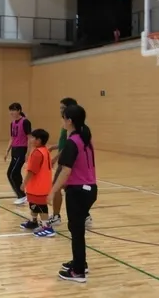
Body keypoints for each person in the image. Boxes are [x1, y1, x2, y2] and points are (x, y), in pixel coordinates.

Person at [49, 105, 97, 283]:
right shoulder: (85, 139)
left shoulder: (73, 142)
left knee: (76, 231)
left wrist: (52, 191)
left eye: (63, 118)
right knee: (76, 229)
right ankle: (80, 263)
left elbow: (65, 171)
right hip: (90, 189)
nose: (62, 121)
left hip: (78, 191)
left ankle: (78, 272)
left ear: (69, 120)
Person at [48, 98, 93, 229]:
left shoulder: (71, 128)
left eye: (63, 108)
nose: (60, 111)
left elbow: (70, 147)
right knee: (70, 188)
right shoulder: (68, 126)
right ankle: (85, 215)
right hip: (69, 161)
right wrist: (54, 147)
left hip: (67, 162)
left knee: (57, 187)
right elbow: (64, 143)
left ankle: (56, 216)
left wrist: (56, 158)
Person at [21, 129, 55, 237]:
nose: (30, 139)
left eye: (33, 138)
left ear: (39, 140)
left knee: (41, 206)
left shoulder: (37, 153)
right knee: (34, 204)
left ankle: (47, 227)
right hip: (42, 185)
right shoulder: (45, 150)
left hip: (38, 186)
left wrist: (24, 183)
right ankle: (33, 221)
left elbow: (32, 171)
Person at [4, 102, 31, 205]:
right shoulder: (13, 123)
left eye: (14, 110)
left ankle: (22, 195)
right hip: (14, 150)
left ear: (19, 110)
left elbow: (29, 138)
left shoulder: (25, 122)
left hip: (21, 150)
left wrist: (28, 153)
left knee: (13, 173)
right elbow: (12, 138)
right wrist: (7, 151)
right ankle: (22, 194)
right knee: (10, 173)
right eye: (10, 110)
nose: (12, 112)